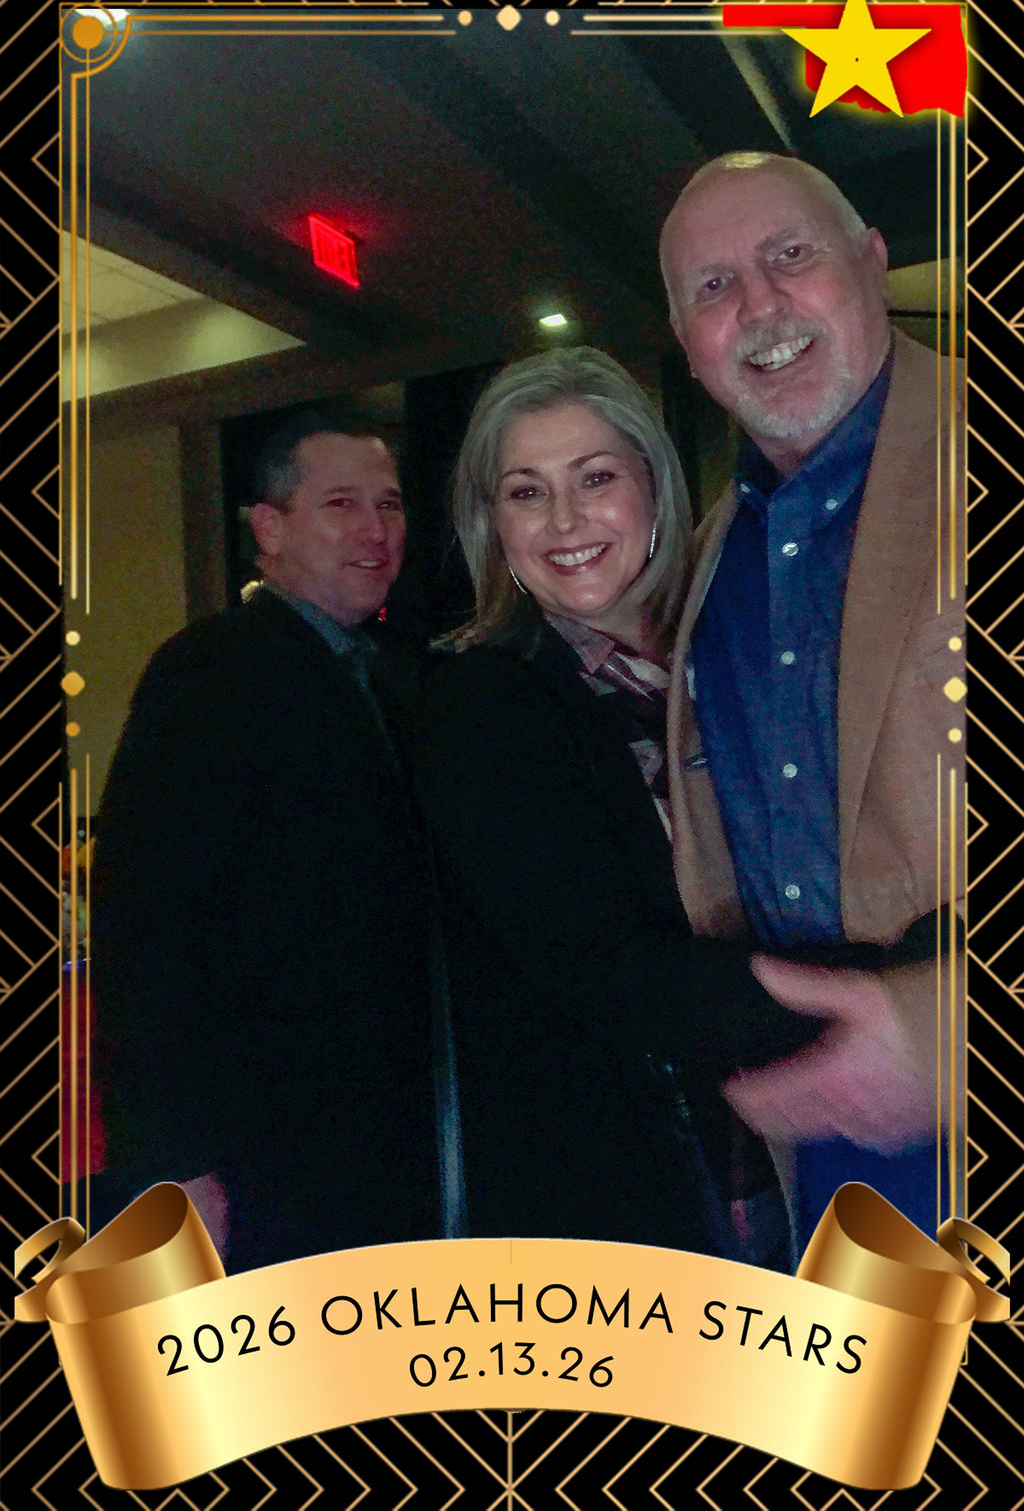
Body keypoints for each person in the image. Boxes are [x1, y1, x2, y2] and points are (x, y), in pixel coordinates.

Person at [417, 346, 835, 1265]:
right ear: (493, 521)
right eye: (526, 492)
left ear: (653, 484)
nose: (565, 520)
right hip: (655, 1185)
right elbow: (602, 969)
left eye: (596, 477)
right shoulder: (486, 701)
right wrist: (872, 1003)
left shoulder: (736, 646)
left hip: (830, 1133)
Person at [658, 151, 964, 1242]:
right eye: (713, 286)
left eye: (789, 255)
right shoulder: (712, 557)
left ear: (872, 260)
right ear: (687, 345)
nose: (758, 306)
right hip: (827, 1154)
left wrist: (945, 1035)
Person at [92, 405, 440, 1271]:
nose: (375, 530)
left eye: (390, 504)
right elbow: (147, 925)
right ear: (269, 528)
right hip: (269, 1151)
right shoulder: (210, 672)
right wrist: (172, 1161)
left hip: (383, 1134)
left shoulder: (387, 675)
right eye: (341, 504)